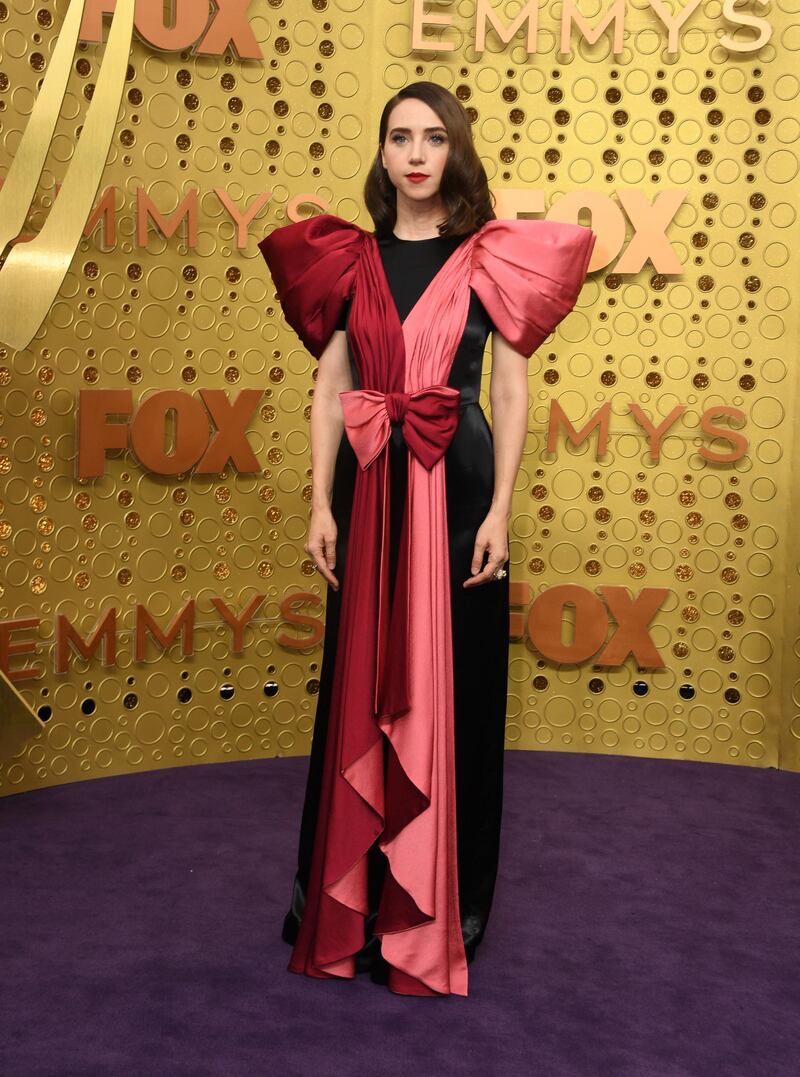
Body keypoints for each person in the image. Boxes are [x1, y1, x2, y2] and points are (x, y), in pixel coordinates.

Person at [258, 81, 597, 997]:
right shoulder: (346, 257)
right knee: (362, 682)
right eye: (399, 136)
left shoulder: (492, 257)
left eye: (433, 137)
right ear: (382, 151)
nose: (415, 153)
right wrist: (317, 504)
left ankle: (437, 908)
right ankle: (348, 901)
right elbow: (332, 384)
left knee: (457, 688)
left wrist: (501, 511)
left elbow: (513, 390)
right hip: (365, 487)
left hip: (458, 491)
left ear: (456, 153)